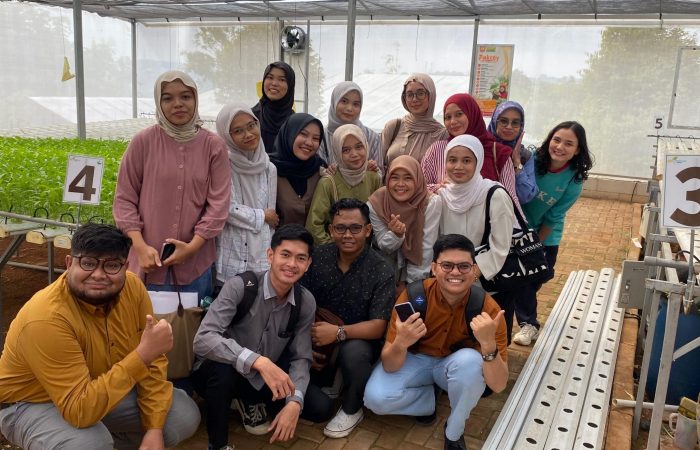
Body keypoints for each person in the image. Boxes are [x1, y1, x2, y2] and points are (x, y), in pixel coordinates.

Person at [0, 223, 200, 450]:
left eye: (112, 265)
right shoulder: (47, 318)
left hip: (95, 389)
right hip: (30, 403)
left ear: (125, 267)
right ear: (69, 263)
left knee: (181, 415)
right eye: (88, 263)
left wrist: (153, 429)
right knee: (88, 443)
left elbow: (152, 365)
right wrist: (142, 356)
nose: (98, 274)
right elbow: (79, 410)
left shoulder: (133, 289)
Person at [363, 234, 508, 450]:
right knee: (375, 399)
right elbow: (390, 365)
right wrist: (401, 342)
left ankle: (454, 431)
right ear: (433, 268)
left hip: (454, 365)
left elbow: (498, 385)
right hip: (416, 359)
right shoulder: (413, 297)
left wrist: (488, 346)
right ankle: (428, 400)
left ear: (474, 270)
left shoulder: (488, 310)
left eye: (464, 266)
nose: (455, 272)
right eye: (447, 265)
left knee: (471, 361)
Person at [192, 224, 317, 450]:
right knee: (223, 371)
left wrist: (295, 402)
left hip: (260, 378)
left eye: (300, 258)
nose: (291, 264)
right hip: (217, 373)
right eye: (285, 255)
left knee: (318, 408)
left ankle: (248, 400)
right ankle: (218, 445)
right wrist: (258, 361)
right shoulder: (241, 286)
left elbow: (301, 357)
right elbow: (203, 339)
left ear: (308, 264)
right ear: (270, 255)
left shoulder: (305, 301)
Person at [113, 70, 231, 301]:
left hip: (195, 265)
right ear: (159, 102)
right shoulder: (143, 142)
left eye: (185, 96)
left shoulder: (213, 146)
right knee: (142, 321)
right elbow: (125, 199)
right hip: (147, 261)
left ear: (195, 99)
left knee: (190, 321)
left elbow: (218, 205)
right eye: (168, 98)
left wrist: (192, 247)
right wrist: (140, 246)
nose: (178, 104)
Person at [300, 198, 395, 438]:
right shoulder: (317, 258)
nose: (348, 235)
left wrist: (338, 333)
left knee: (355, 352)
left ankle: (353, 407)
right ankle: (333, 377)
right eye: (340, 228)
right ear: (331, 230)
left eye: (355, 228)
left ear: (368, 230)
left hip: (358, 339)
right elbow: (299, 305)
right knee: (315, 400)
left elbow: (378, 326)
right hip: (318, 337)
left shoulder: (381, 269)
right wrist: (302, 345)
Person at [512, 121, 593, 346]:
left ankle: (525, 305)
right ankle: (529, 324)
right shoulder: (533, 161)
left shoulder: (574, 179)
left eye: (568, 144)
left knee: (540, 275)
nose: (560, 147)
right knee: (524, 280)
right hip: (516, 228)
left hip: (547, 234)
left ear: (577, 149)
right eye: (556, 140)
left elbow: (554, 216)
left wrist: (534, 246)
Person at [437, 135, 517, 343]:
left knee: (490, 341)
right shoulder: (442, 195)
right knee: (456, 339)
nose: (458, 166)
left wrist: (471, 273)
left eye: (467, 160)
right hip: (453, 281)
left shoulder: (494, 194)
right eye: (452, 160)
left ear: (478, 162)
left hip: (489, 282)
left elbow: (501, 245)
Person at [421, 93, 521, 215]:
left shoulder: (498, 153)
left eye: (459, 114)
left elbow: (509, 197)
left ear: (472, 113)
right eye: (448, 117)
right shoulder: (437, 150)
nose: (453, 121)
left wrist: (520, 223)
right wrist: (440, 187)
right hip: (445, 221)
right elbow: (420, 189)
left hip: (485, 223)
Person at [214, 103, 278, 282]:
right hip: (232, 255)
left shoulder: (269, 168)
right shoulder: (222, 165)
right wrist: (262, 216)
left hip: (262, 257)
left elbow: (271, 218)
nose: (248, 134)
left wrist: (265, 219)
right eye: (238, 131)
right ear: (227, 136)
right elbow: (226, 209)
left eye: (251, 126)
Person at [368, 155, 441, 293]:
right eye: (395, 177)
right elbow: (384, 246)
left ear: (417, 179)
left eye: (408, 178)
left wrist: (411, 287)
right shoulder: (377, 203)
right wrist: (396, 235)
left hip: (417, 274)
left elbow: (425, 248)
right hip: (384, 272)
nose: (400, 184)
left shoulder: (430, 202)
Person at [306, 124, 381, 244]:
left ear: (366, 146)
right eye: (346, 150)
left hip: (366, 249)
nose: (354, 154)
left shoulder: (373, 177)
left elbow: (380, 217)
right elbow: (314, 225)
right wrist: (335, 248)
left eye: (359, 147)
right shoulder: (328, 182)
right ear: (337, 152)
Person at [381, 73, 449, 171]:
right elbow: (379, 164)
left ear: (431, 95)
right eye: (409, 94)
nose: (414, 99)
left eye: (420, 93)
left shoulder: (442, 134)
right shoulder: (394, 127)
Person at [270, 113, 327, 227]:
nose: (309, 143)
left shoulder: (320, 169)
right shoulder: (269, 169)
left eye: (315, 138)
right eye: (303, 134)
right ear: (290, 133)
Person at [318, 81, 382, 170]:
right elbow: (318, 172)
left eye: (356, 104)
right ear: (334, 102)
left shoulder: (372, 138)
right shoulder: (321, 137)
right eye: (344, 101)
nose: (349, 108)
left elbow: (379, 173)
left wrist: (370, 169)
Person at [487, 100, 538, 204]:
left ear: (521, 126)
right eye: (503, 121)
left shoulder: (525, 155)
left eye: (515, 123)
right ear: (495, 122)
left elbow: (526, 196)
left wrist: (517, 163)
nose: (509, 127)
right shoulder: (482, 148)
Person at [252, 61, 296, 152]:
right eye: (270, 77)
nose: (274, 83)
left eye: (282, 80)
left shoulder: (295, 123)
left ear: (290, 86)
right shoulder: (251, 117)